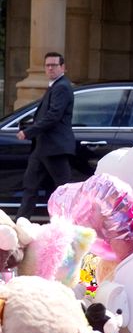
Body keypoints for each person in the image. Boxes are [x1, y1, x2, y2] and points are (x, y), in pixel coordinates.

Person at [16, 52, 75, 220]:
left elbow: (53, 116)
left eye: (54, 65)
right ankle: (20, 225)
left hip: (54, 148)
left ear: (63, 67)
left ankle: (68, 228)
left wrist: (28, 132)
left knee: (63, 190)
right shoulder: (55, 86)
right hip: (42, 148)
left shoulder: (62, 86)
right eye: (47, 65)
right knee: (30, 187)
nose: (50, 68)